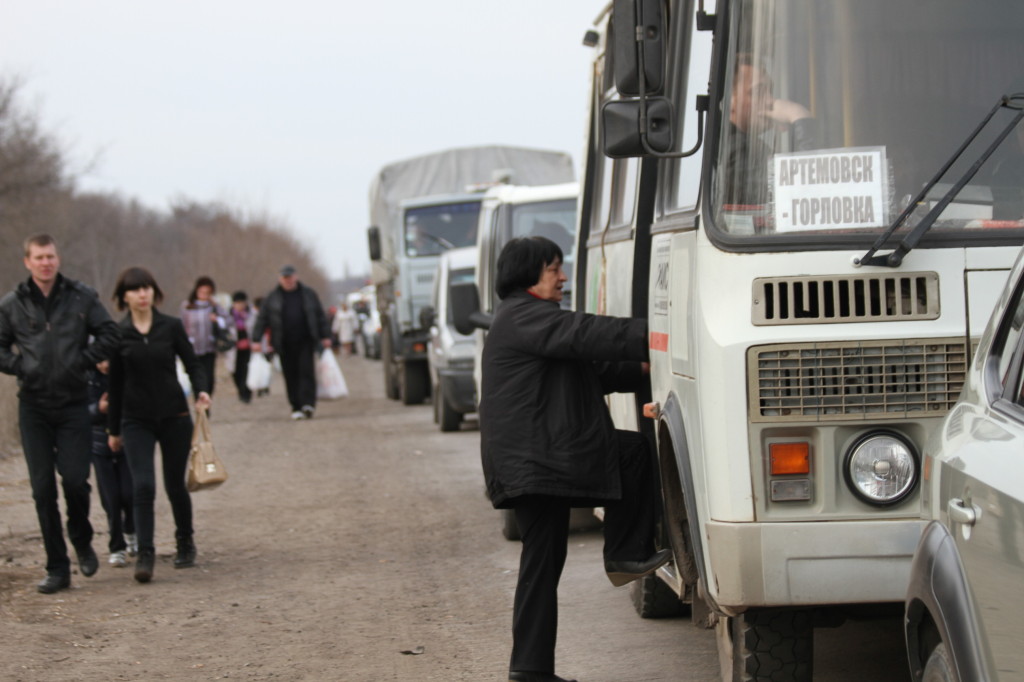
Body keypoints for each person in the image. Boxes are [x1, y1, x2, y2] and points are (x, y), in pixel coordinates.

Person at [478, 237, 671, 682]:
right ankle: (625, 553)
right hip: (535, 462)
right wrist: (661, 331)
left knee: (541, 566)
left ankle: (530, 670)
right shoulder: (523, 314)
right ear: (529, 275)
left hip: (530, 463)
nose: (562, 277)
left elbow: (589, 371)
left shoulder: (520, 321)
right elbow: (586, 333)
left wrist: (638, 368)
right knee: (633, 451)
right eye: (553, 269)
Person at [0, 234, 121, 594]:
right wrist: (21, 366)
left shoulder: (81, 297)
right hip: (34, 404)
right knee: (41, 490)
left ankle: (81, 539)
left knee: (73, 481)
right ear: (27, 262)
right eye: (38, 257)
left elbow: (110, 333)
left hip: (72, 404)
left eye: (50, 256)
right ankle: (57, 567)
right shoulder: (13, 304)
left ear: (58, 258)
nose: (45, 262)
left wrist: (82, 362)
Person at [106, 267, 212, 583]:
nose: (142, 294)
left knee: (174, 484)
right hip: (135, 420)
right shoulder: (119, 335)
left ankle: (185, 542)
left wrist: (202, 389)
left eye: (147, 288)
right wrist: (113, 430)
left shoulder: (171, 327)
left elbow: (193, 363)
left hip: (174, 416)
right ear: (124, 296)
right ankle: (147, 554)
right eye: (136, 289)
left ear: (154, 292)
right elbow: (115, 384)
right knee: (143, 485)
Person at [722, 53, 817, 207]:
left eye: (770, 91)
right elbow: (795, 190)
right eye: (758, 92)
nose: (770, 100)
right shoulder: (729, 150)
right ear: (730, 100)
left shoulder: (745, 145)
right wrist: (798, 116)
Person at [251, 265, 331, 420]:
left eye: (290, 277)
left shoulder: (308, 294)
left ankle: (308, 403)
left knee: (306, 371)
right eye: (284, 278)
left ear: (296, 277)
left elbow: (320, 315)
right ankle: (296, 406)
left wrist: (325, 336)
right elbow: (262, 319)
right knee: (290, 374)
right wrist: (256, 339)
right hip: (283, 343)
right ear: (280, 279)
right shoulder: (272, 297)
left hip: (306, 340)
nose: (288, 281)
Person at [88, 360, 136, 567]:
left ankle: (132, 531)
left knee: (130, 493)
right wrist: (98, 409)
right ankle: (117, 547)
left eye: (109, 359)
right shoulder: (87, 379)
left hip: (127, 443)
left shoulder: (127, 375)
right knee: (111, 500)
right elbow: (78, 412)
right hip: (99, 447)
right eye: (100, 361)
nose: (105, 365)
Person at [180, 276, 229, 398]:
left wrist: (217, 319)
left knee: (209, 380)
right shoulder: (187, 307)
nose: (204, 295)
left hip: (209, 349)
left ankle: (206, 402)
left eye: (207, 293)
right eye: (202, 292)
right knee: (196, 378)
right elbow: (181, 326)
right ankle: (199, 401)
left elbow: (228, 321)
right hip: (192, 349)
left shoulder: (214, 307)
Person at [228, 290, 256, 403]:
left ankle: (246, 393)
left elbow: (255, 330)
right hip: (233, 348)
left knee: (247, 370)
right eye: (237, 303)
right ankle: (240, 390)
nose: (240, 305)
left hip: (249, 348)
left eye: (242, 303)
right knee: (235, 371)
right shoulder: (228, 315)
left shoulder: (251, 314)